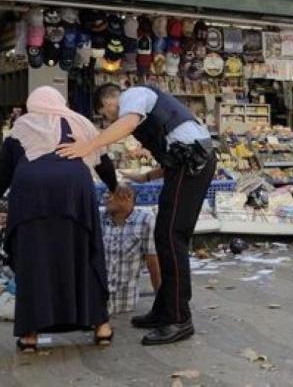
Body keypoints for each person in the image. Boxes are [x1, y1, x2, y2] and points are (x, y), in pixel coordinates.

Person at [58, 84, 216, 345]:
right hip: (187, 163)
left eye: (105, 114)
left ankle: (178, 318)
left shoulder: (133, 96)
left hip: (192, 165)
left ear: (109, 101)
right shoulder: (148, 111)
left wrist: (89, 145)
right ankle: (165, 310)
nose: (109, 120)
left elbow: (130, 122)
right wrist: (148, 176)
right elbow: (175, 148)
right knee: (165, 236)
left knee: (171, 235)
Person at [0, 86, 113, 351]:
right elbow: (104, 163)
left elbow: (2, 174)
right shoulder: (79, 122)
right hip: (75, 194)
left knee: (34, 262)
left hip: (31, 196)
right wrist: (116, 188)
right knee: (83, 256)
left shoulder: (21, 127)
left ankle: (29, 335)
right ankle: (101, 327)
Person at [102, 183, 161, 315]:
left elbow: (153, 264)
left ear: (128, 197)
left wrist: (161, 303)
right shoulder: (99, 218)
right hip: (96, 303)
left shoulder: (145, 221)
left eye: (111, 194)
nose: (106, 198)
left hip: (124, 304)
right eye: (106, 194)